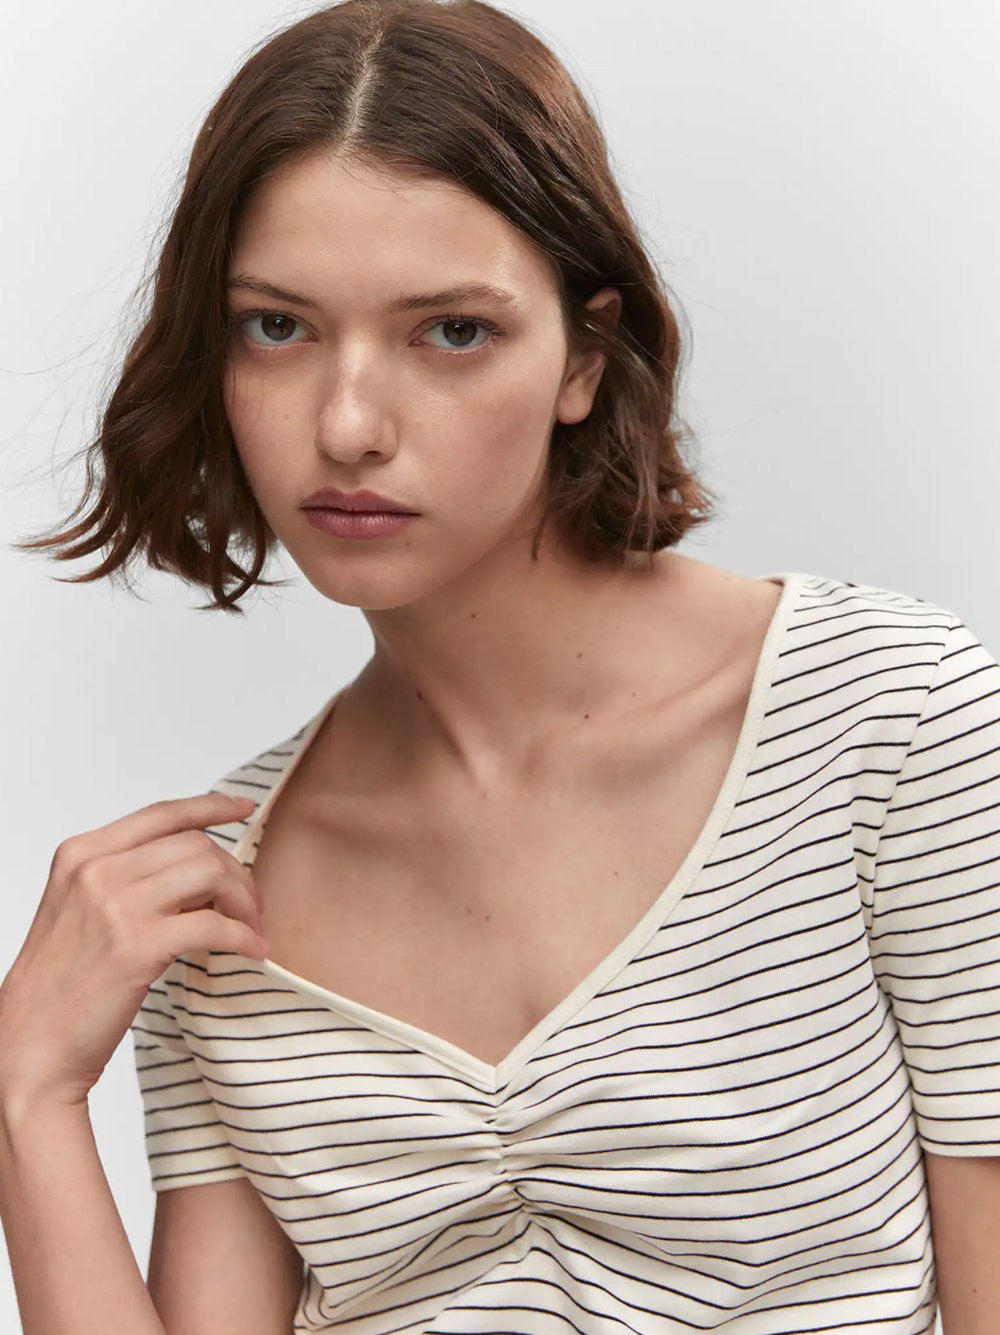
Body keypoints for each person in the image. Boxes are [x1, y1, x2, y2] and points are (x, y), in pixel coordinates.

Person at [1, 1, 998, 1332]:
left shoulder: (896, 724)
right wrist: (28, 1089)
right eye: (278, 327)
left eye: (452, 331)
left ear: (586, 356)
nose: (349, 425)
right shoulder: (211, 903)